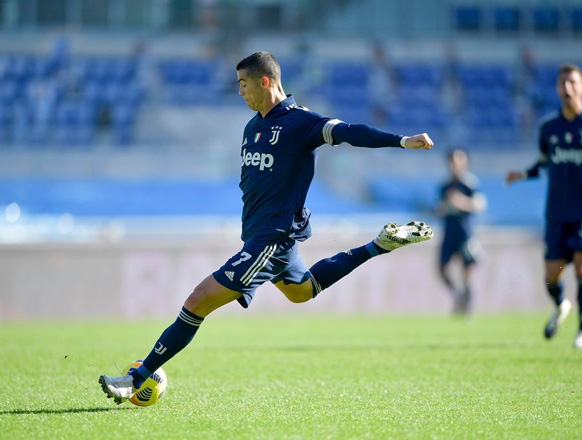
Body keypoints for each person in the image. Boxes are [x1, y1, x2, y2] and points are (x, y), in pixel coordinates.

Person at [99, 51, 434, 404]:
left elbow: (350, 132)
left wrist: (402, 140)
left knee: (197, 301)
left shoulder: (301, 122)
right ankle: (378, 245)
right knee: (301, 291)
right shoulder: (253, 126)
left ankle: (135, 378)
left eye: (244, 84)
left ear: (265, 81)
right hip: (264, 238)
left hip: (271, 241)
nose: (240, 91)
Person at [505, 64, 582, 349]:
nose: (568, 87)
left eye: (573, 82)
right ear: (557, 89)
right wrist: (523, 174)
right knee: (551, 274)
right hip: (557, 212)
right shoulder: (549, 127)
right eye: (562, 83)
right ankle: (561, 305)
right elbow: (545, 163)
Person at [435, 149, 486, 315]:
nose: (454, 165)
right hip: (449, 232)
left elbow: (479, 205)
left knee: (468, 272)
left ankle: (467, 307)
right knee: (442, 268)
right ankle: (457, 295)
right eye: (452, 161)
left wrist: (461, 202)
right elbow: (441, 207)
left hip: (465, 233)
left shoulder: (470, 184)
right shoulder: (444, 185)